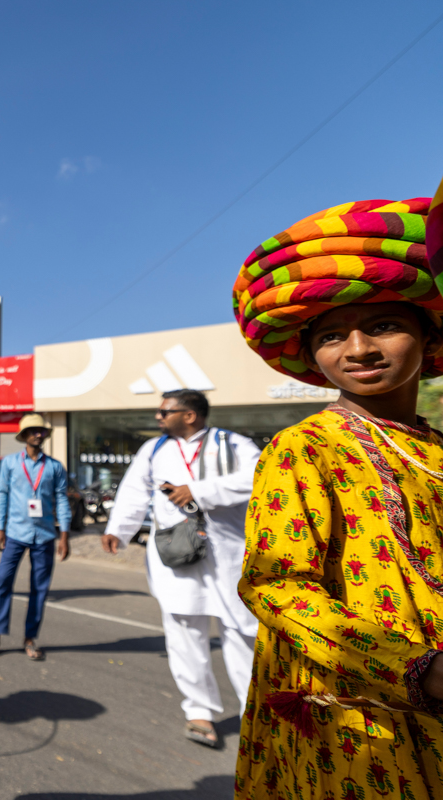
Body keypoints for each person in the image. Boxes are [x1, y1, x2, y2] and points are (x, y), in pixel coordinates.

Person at [231, 192, 443, 797]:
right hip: (354, 715)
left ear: (428, 339)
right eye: (331, 336)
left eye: (383, 325)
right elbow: (275, 585)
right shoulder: (304, 448)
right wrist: (417, 670)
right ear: (311, 356)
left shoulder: (436, 449)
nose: (358, 350)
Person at [100, 390, 259, 749]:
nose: (157, 417)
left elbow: (261, 476)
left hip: (228, 556)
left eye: (164, 411)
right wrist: (117, 530)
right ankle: (199, 712)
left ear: (189, 415)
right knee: (184, 632)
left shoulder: (233, 443)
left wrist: (199, 491)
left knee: (241, 633)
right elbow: (132, 491)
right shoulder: (154, 449)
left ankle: (257, 713)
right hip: (175, 555)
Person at [0, 413, 70, 661]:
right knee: (3, 582)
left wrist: (65, 535)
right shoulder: (10, 463)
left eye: (41, 430)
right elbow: (3, 494)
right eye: (33, 430)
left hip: (45, 535)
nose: (38, 434)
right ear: (24, 436)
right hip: (16, 532)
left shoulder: (55, 467)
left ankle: (30, 638)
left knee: (39, 589)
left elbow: (61, 499)